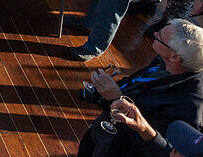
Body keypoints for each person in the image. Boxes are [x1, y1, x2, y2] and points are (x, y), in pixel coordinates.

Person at [74, 18, 203, 156]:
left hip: (117, 146)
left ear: (175, 57)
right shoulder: (167, 62)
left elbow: (156, 148)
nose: (155, 34)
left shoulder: (188, 107)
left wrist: (116, 98)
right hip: (107, 125)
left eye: (159, 37)